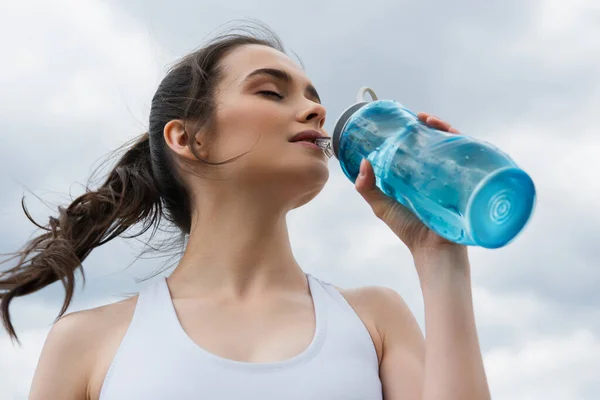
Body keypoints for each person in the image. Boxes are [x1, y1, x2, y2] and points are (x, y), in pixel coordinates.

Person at [0, 24, 491, 400]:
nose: (316, 112)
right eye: (271, 92)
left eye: (314, 99)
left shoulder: (375, 318)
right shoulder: (86, 341)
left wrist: (439, 256)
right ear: (188, 138)